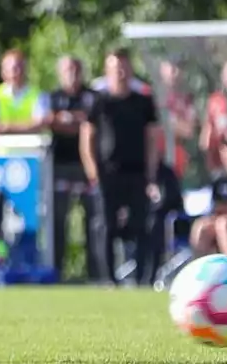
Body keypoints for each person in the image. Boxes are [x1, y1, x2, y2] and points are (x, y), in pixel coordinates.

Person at [79, 49, 160, 285]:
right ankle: (109, 280)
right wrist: (93, 173)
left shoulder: (143, 102)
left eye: (124, 67)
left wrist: (151, 174)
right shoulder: (99, 102)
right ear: (107, 71)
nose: (121, 73)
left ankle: (144, 279)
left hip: (136, 173)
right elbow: (87, 139)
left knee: (141, 224)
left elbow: (152, 139)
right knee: (106, 225)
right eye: (116, 68)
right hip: (107, 174)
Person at [46, 55, 105, 282]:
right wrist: (76, 122)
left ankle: (96, 273)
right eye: (67, 70)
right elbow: (50, 121)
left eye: (76, 69)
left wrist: (71, 121)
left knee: (94, 221)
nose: (72, 74)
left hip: (88, 167)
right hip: (60, 166)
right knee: (58, 220)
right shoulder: (53, 97)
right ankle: (56, 272)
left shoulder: (92, 97)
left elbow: (91, 126)